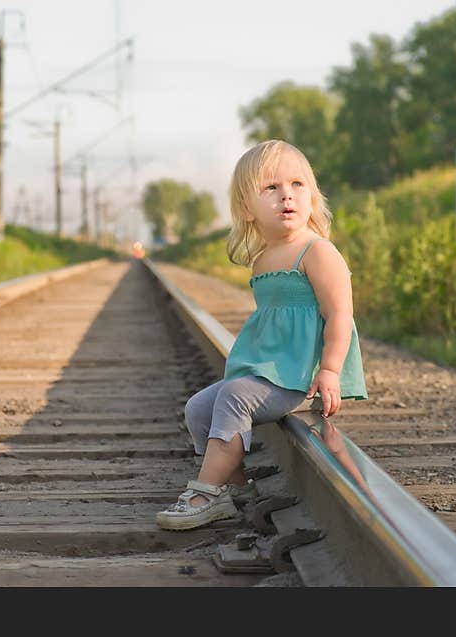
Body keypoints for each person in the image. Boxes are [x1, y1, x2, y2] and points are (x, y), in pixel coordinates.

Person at [157, 139, 368, 531]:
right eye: (270, 188)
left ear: (312, 195)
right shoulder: (263, 259)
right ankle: (235, 486)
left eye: (297, 185)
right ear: (246, 209)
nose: (286, 195)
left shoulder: (318, 252)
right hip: (266, 369)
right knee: (198, 408)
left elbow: (339, 314)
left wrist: (331, 371)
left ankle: (208, 492)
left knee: (235, 397)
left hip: (297, 375)